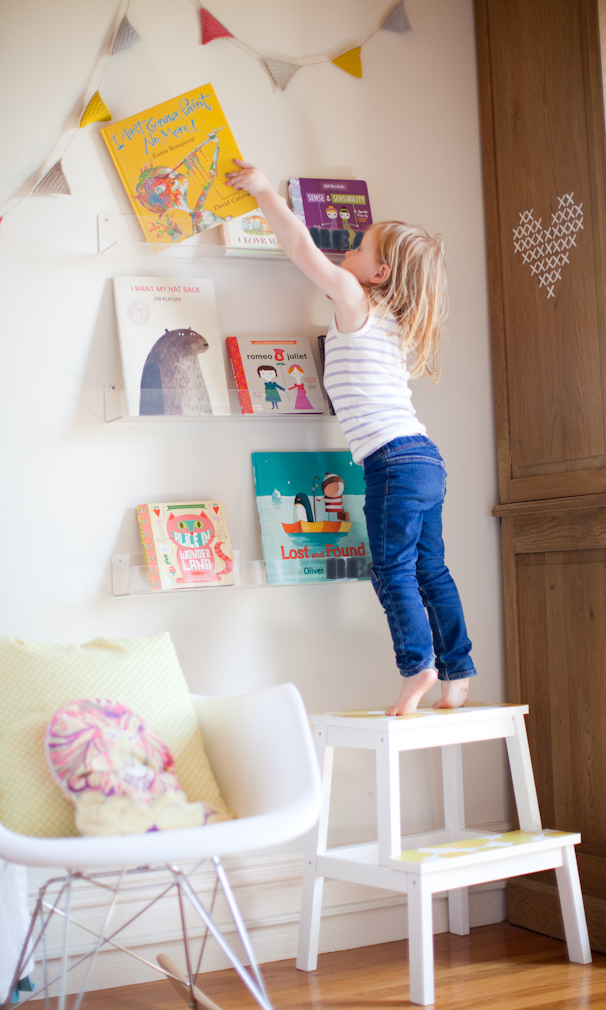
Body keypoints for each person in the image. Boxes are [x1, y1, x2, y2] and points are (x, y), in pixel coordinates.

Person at [226, 160, 476, 715]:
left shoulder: (354, 298)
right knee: (429, 567)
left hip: (394, 461)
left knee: (390, 569)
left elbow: (300, 248)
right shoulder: (391, 319)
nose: (347, 249)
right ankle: (457, 672)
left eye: (360, 246)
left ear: (379, 273)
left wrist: (264, 190)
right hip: (424, 459)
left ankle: (418, 666)